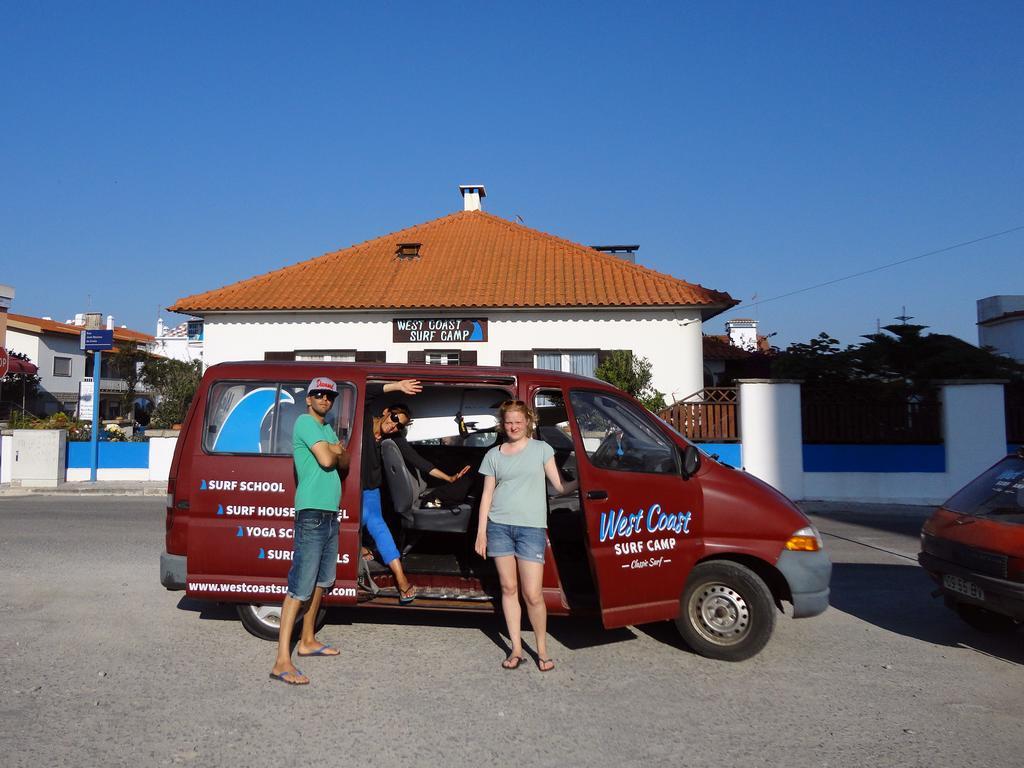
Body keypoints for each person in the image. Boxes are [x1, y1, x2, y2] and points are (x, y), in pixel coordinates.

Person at [474, 399, 577, 671]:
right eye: (509, 422)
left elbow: (560, 487)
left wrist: (587, 480)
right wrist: (481, 532)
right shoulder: (493, 455)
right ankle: (517, 649)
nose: (513, 426)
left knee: (533, 594)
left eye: (518, 421)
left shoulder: (542, 449)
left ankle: (542, 651)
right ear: (502, 423)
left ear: (528, 421)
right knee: (509, 589)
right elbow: (486, 495)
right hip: (498, 527)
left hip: (531, 528)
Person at [269, 376, 349, 686]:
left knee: (321, 582)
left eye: (329, 396)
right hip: (312, 512)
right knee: (300, 587)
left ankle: (307, 640)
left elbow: (345, 461)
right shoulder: (304, 422)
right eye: (318, 394)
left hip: (329, 513)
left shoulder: (327, 429)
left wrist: (335, 449)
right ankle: (281, 661)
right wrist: (334, 450)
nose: (325, 400)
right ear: (308, 398)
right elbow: (330, 459)